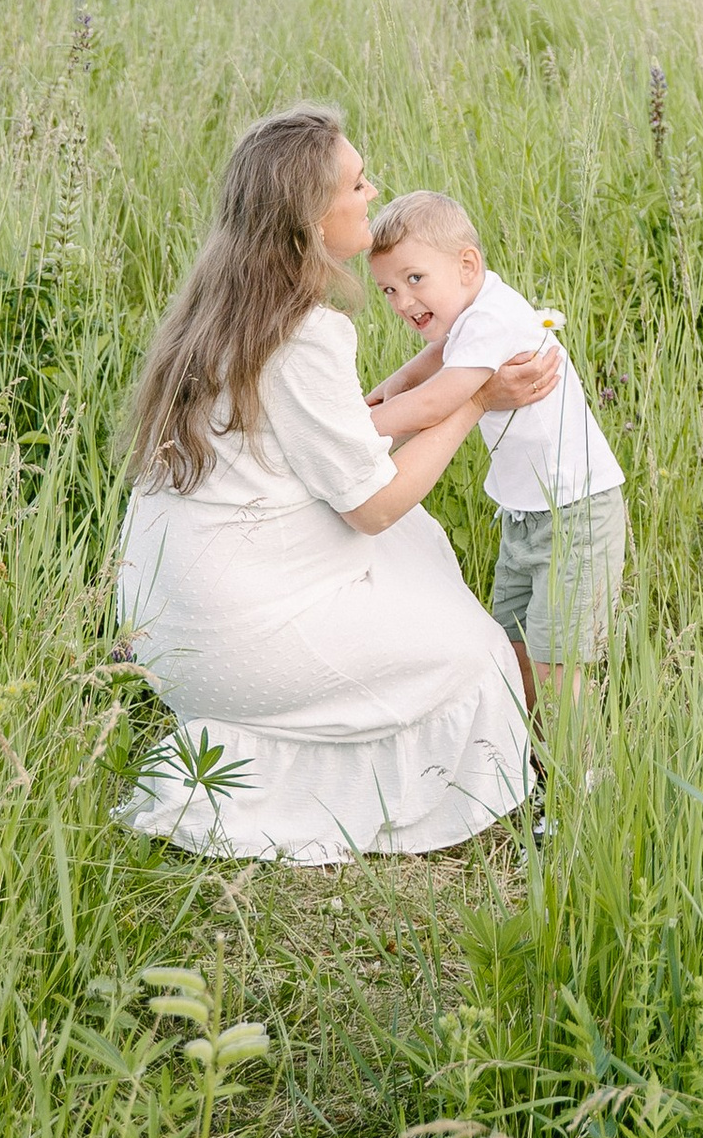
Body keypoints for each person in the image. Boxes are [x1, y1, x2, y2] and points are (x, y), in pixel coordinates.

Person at [112, 106, 557, 862]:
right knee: (474, 654)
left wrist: (431, 391)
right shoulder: (304, 331)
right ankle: (372, 790)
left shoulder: (224, 305)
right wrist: (476, 399)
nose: (371, 190)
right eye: (356, 183)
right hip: (234, 635)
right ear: (311, 220)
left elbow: (330, 434)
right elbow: (375, 504)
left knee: (421, 551)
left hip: (166, 618)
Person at [364, 191, 627, 699]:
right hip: (525, 515)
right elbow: (437, 358)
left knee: (557, 664)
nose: (402, 301)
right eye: (388, 290)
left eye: (414, 279)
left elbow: (434, 403)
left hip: (575, 514)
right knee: (515, 651)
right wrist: (387, 391)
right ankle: (530, 759)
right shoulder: (475, 312)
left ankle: (579, 771)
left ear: (467, 264)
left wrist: (357, 426)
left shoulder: (493, 318)